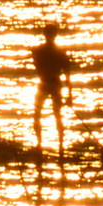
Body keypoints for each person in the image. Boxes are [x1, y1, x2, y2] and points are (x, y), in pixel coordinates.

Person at [31, 22, 72, 160]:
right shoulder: (55, 51)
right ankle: (44, 146)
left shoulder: (40, 51)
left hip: (49, 84)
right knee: (45, 114)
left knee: (52, 114)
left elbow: (67, 73)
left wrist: (70, 94)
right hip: (49, 84)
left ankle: (53, 147)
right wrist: (69, 94)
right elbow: (67, 73)